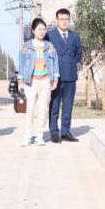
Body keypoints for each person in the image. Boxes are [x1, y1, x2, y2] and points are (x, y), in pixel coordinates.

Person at [18, 18, 60, 146]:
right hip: (30, 81)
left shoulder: (49, 46)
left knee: (43, 109)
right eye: (39, 29)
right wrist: (20, 81)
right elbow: (21, 63)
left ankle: (39, 136)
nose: (42, 32)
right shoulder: (27, 46)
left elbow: (55, 63)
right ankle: (27, 136)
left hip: (46, 81)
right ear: (33, 30)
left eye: (44, 29)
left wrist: (56, 79)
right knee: (29, 109)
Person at [46, 8, 83, 143]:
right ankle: (54, 132)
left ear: (69, 20)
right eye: (62, 19)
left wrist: (71, 62)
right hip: (55, 78)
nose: (64, 22)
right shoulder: (49, 36)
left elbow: (79, 53)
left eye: (67, 19)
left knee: (68, 106)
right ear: (57, 20)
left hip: (71, 77)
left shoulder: (74, 36)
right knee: (54, 106)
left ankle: (66, 132)